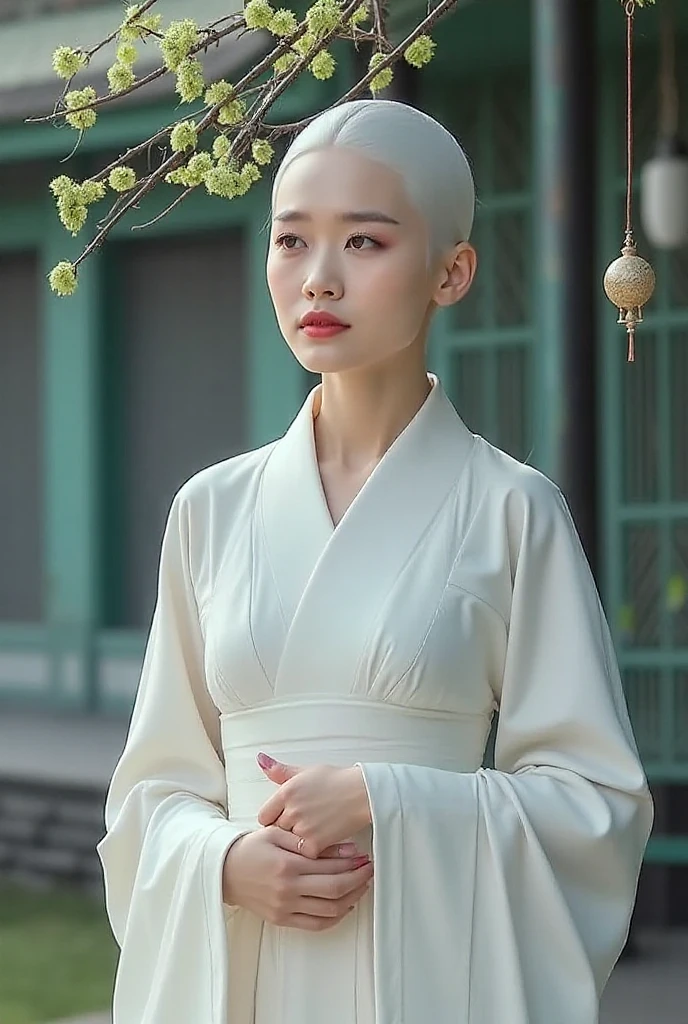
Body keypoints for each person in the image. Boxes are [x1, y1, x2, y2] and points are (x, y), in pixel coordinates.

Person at [96, 99, 653, 1024]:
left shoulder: (513, 509)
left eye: (363, 243)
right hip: (250, 975)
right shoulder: (209, 511)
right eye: (290, 241)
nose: (318, 280)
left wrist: (384, 801)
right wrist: (226, 864)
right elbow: (152, 792)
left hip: (432, 979)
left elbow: (593, 804)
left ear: (452, 271)